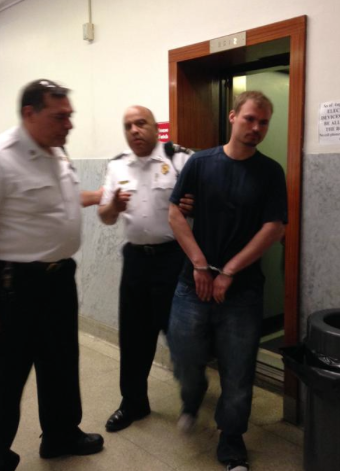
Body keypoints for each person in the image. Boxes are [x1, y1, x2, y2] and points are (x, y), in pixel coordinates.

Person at [168, 91, 288, 471]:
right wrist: (201, 265)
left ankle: (232, 439)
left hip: (243, 290)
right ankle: (193, 395)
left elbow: (274, 227)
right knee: (184, 357)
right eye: (250, 118)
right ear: (233, 117)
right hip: (193, 284)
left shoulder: (270, 172)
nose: (256, 127)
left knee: (238, 370)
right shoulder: (201, 163)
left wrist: (230, 271)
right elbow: (174, 213)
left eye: (264, 122)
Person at [0, 79, 104, 471]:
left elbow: (62, 201)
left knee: (60, 361)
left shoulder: (57, 152)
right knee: (8, 374)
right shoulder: (4, 158)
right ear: (30, 113)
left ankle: (61, 435)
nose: (69, 124)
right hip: (15, 285)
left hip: (59, 278)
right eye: (60, 117)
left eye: (69, 116)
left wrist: (99, 197)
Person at [98, 105, 193, 433]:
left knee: (181, 334)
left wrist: (194, 206)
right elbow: (105, 217)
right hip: (136, 261)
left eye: (141, 123)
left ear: (155, 127)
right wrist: (113, 206)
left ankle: (193, 395)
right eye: (128, 126)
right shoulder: (116, 165)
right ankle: (133, 402)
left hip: (173, 259)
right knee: (133, 336)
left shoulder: (179, 159)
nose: (134, 130)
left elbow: (205, 205)